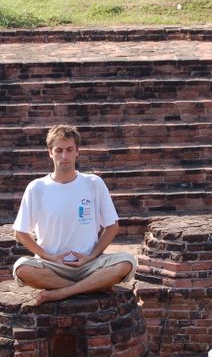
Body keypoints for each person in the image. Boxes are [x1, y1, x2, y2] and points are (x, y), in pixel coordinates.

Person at [12, 124, 136, 304]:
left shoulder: (94, 183)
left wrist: (92, 256)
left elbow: (112, 227)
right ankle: (92, 287)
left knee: (127, 262)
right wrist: (48, 256)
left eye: (69, 150)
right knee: (22, 269)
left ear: (77, 151)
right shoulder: (36, 187)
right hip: (52, 265)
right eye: (59, 150)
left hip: (89, 264)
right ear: (50, 152)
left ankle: (62, 292)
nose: (64, 156)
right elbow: (20, 232)